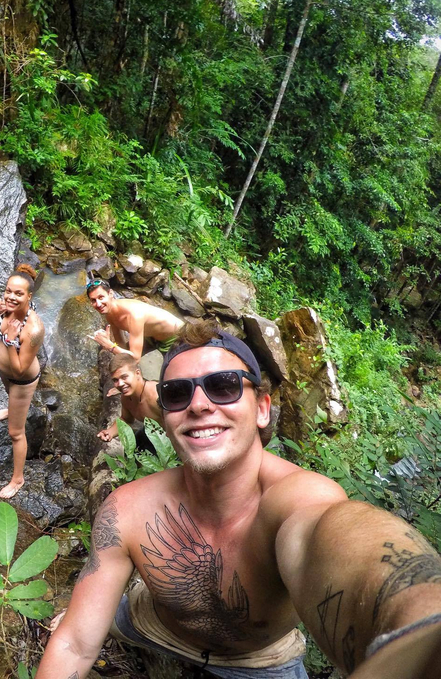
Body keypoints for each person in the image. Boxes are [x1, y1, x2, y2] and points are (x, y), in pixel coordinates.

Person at [37, 320, 441, 679]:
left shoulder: (298, 500)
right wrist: (78, 627)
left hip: (259, 662)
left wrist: (420, 624)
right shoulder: (126, 509)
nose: (199, 404)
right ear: (166, 415)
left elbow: (339, 543)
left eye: (223, 386)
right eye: (177, 394)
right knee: (83, 622)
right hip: (149, 623)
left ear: (262, 408)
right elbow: (74, 644)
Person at [0, 264, 45, 499]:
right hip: (5, 372)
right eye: (8, 291)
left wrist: (11, 341)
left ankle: (17, 479)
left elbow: (20, 370)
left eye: (18, 294)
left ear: (29, 296)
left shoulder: (34, 329)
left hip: (22, 381)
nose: (11, 296)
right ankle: (11, 408)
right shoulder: (6, 309)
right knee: (9, 399)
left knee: (15, 432)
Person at [86, 278, 184, 360]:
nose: (98, 304)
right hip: (150, 337)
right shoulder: (109, 313)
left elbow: (135, 358)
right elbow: (121, 345)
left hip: (176, 337)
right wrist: (110, 346)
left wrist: (110, 346)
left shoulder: (134, 315)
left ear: (110, 294)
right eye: (93, 300)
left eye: (101, 297)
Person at [97, 352, 161, 443]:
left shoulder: (155, 394)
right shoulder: (126, 398)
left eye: (124, 377)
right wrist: (109, 432)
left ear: (137, 373)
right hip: (157, 436)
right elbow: (126, 420)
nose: (120, 384)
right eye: (115, 380)